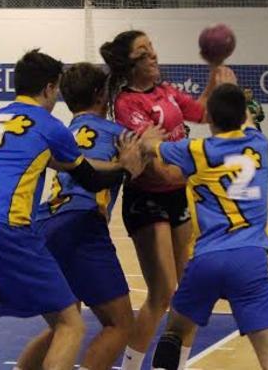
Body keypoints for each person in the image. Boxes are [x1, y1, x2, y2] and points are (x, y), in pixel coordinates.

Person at [0, 50, 144, 370]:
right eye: (55, 91)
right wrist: (127, 170)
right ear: (49, 88)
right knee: (70, 325)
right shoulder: (50, 126)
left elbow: (61, 163)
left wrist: (115, 166)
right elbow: (88, 178)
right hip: (7, 228)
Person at [99, 30, 236, 369]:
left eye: (152, 48)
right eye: (144, 52)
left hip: (177, 199)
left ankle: (177, 364)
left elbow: (202, 113)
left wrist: (214, 75)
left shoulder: (167, 92)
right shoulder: (127, 104)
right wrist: (199, 167)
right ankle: (131, 366)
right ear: (131, 65)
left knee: (188, 294)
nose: (154, 55)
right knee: (161, 294)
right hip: (147, 201)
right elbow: (157, 172)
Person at [143, 83, 268, 370]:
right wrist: (234, 93)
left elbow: (150, 148)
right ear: (243, 114)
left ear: (208, 117)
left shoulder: (195, 149)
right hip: (250, 258)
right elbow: (246, 120)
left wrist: (149, 138)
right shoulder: (260, 143)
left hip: (206, 259)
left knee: (175, 331)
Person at [15, 63, 138, 370]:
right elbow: (150, 157)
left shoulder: (61, 132)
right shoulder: (120, 135)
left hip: (44, 227)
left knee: (63, 327)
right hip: (81, 225)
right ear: (101, 95)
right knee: (119, 324)